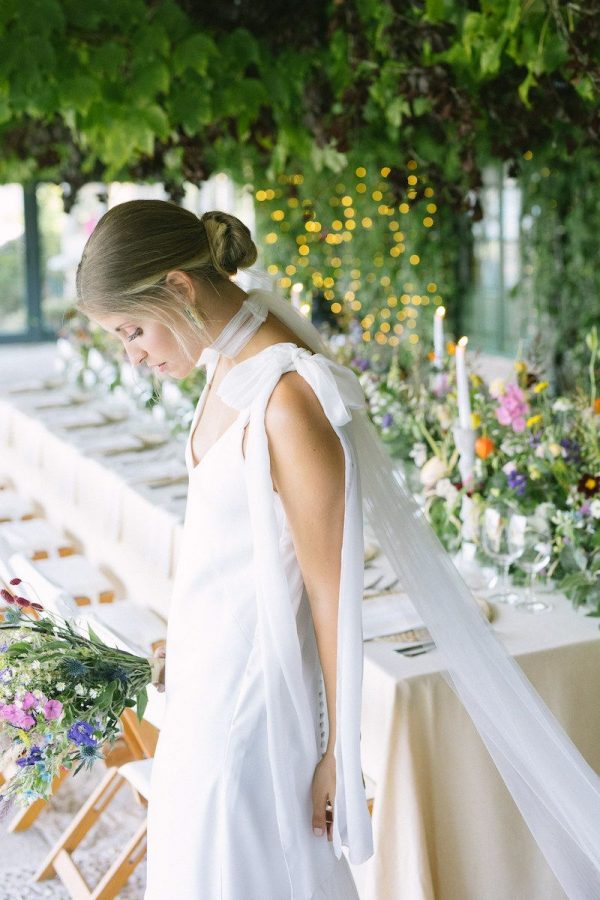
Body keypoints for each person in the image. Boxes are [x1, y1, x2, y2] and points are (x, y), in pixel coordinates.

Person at [75, 201, 373, 899]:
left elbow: (333, 594)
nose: (134, 353)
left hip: (250, 722)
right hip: (202, 698)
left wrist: (340, 751)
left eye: (132, 330)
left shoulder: (287, 400)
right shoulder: (224, 363)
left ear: (178, 287)